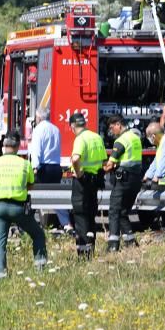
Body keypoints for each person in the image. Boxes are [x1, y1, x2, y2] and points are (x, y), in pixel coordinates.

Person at [0, 134, 47, 279]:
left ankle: (0, 274)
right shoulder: (25, 164)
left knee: (0, 241)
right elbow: (31, 185)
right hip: (19, 208)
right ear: (17, 147)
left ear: (3, 147)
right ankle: (40, 267)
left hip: (0, 207)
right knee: (38, 234)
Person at [102, 115, 143, 251]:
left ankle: (113, 245)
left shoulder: (121, 141)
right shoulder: (135, 138)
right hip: (135, 180)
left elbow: (109, 165)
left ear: (118, 124)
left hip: (123, 180)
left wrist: (99, 169)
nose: (111, 131)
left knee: (114, 210)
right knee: (123, 211)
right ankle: (130, 242)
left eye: (112, 127)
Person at [29, 108, 72, 235]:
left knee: (33, 195)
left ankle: (26, 222)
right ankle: (67, 224)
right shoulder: (55, 129)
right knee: (56, 197)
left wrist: (34, 167)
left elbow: (36, 150)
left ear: (39, 118)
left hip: (43, 167)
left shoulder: (38, 130)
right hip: (56, 167)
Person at [68, 113, 107, 258]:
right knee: (91, 215)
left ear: (72, 126)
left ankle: (84, 254)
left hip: (82, 182)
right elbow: (104, 161)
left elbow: (76, 159)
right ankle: (91, 248)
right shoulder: (96, 137)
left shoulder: (80, 139)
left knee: (80, 215)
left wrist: (79, 174)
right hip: (95, 181)